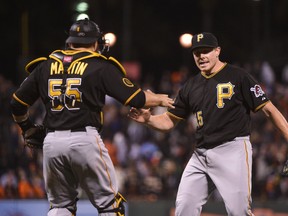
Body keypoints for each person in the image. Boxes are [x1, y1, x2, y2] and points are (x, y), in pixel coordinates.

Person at [10, 18, 174, 216]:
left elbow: (17, 103)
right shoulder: (98, 66)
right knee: (110, 205)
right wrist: (159, 99)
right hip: (84, 139)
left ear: (69, 43)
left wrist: (26, 127)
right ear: (96, 43)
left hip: (52, 142)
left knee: (60, 206)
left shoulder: (46, 65)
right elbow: (136, 99)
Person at [128, 32, 288, 215]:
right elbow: (169, 121)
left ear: (217, 51)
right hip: (201, 155)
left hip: (232, 150)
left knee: (240, 211)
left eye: (206, 51)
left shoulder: (239, 76)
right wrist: (148, 120)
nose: (201, 56)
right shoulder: (191, 86)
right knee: (183, 209)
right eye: (197, 52)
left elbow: (269, 109)